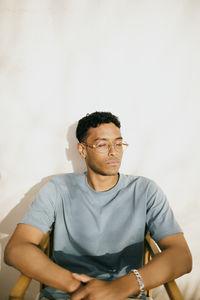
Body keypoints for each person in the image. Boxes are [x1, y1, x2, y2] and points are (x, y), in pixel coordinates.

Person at [4, 111, 192, 300]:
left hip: (125, 295)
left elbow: (181, 256)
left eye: (118, 143)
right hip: (67, 294)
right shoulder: (58, 188)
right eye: (102, 144)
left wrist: (118, 288)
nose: (114, 152)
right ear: (82, 150)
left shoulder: (145, 190)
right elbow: (16, 248)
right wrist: (76, 286)